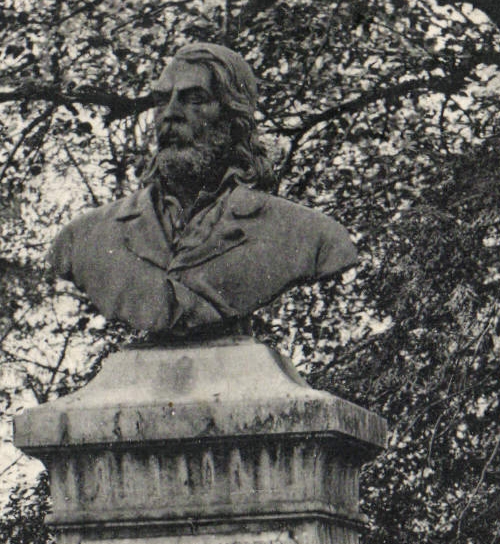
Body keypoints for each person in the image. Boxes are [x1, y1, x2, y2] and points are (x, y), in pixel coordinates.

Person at [50, 42, 357, 335]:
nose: (170, 113)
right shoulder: (83, 239)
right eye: (161, 100)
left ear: (233, 119)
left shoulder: (309, 235)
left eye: (194, 99)